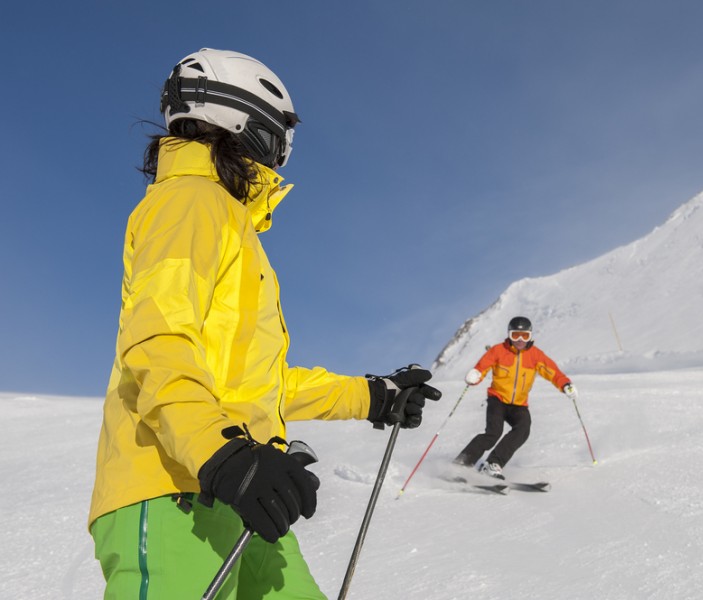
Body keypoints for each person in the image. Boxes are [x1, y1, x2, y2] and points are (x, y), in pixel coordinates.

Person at [89, 48, 441, 600]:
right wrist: (221, 456)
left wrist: (371, 395)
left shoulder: (231, 226)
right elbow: (157, 342)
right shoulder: (190, 201)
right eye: (282, 133)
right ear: (247, 118)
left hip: (238, 484)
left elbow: (258, 384)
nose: (283, 153)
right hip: (173, 486)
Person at [454, 316, 577, 479]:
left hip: (519, 404)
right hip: (497, 399)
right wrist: (475, 374)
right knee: (493, 433)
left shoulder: (535, 355)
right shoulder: (498, 350)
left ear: (530, 336)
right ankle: (462, 463)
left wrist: (565, 384)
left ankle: (493, 463)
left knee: (523, 429)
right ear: (509, 335)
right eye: (515, 335)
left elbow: (552, 372)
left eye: (524, 336)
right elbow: (483, 366)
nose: (520, 340)